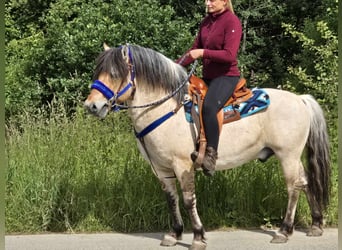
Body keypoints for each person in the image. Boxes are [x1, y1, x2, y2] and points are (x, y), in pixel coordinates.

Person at [177, 0, 242, 176]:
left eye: (212, 0)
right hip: (209, 77)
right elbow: (193, 50)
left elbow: (229, 55)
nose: (208, 3)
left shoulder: (232, 21)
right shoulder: (206, 22)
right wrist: (173, 68)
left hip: (227, 76)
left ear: (224, 1)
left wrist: (203, 53)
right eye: (206, 0)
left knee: (209, 107)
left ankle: (211, 154)